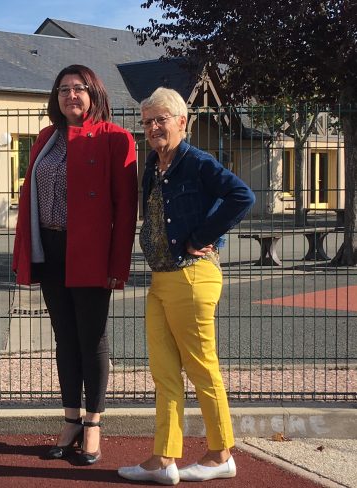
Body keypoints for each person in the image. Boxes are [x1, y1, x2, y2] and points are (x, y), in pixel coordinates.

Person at [117, 87, 255, 485]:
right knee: (164, 372)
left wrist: (203, 236)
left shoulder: (197, 162)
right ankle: (163, 459)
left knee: (201, 367)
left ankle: (221, 454)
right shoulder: (153, 165)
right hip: (162, 278)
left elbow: (241, 196)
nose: (153, 128)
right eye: (147, 122)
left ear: (182, 121)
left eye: (160, 120)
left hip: (192, 275)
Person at [12, 65, 138, 465]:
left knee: (92, 338)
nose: (70, 95)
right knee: (64, 338)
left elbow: (126, 209)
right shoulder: (46, 138)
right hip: (49, 248)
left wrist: (118, 264)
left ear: (94, 93)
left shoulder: (116, 138)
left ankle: (94, 423)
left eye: (78, 88)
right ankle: (70, 419)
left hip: (90, 251)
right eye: (63, 89)